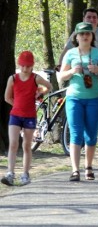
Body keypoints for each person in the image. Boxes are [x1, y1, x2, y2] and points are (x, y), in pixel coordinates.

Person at [59, 22, 98, 181]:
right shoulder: (70, 53)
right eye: (82, 34)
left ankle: (89, 167)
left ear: (92, 36)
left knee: (91, 135)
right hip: (74, 98)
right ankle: (75, 170)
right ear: (76, 37)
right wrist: (71, 71)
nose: (85, 36)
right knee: (76, 133)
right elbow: (61, 76)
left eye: (88, 34)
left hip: (95, 98)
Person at [2, 51, 52, 186]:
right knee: (13, 144)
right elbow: (7, 97)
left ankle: (25, 174)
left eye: (28, 66)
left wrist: (40, 93)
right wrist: (17, 105)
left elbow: (49, 86)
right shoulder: (13, 78)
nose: (25, 69)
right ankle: (10, 173)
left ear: (32, 66)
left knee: (26, 145)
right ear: (19, 64)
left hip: (30, 116)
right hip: (15, 116)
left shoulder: (35, 78)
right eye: (23, 66)